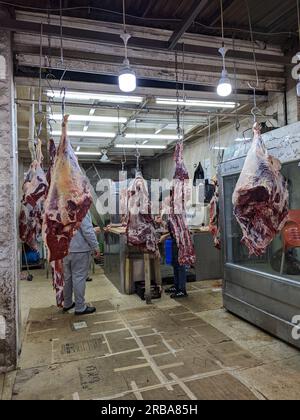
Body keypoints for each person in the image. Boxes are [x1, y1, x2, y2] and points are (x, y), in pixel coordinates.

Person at [63, 213, 101, 315]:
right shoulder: (81, 207)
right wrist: (96, 246)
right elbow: (87, 231)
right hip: (79, 249)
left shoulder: (63, 205)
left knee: (68, 278)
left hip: (65, 248)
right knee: (79, 277)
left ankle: (67, 303)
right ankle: (80, 307)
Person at [156, 193, 188, 299]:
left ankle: (182, 290)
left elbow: (178, 230)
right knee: (175, 264)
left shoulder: (178, 211)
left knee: (180, 264)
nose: (165, 200)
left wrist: (164, 237)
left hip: (180, 241)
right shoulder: (171, 212)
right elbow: (170, 228)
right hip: (175, 240)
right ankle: (176, 286)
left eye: (167, 198)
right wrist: (162, 223)